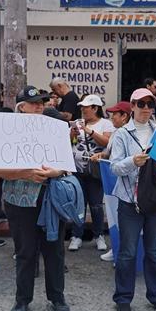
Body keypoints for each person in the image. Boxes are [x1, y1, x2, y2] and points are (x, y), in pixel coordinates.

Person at [0, 86, 69, 311]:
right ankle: (22, 299)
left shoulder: (54, 129)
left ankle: (57, 297)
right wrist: (26, 173)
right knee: (25, 252)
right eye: (34, 102)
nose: (39, 106)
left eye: (42, 102)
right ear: (21, 107)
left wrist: (56, 171)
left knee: (54, 251)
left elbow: (66, 164)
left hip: (50, 199)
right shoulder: (7, 130)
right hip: (19, 201)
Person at [109, 88, 156, 311]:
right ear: (132, 106)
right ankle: (123, 298)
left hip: (155, 200)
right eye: (141, 104)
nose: (146, 108)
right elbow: (114, 167)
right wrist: (133, 161)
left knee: (154, 251)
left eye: (150, 104)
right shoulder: (121, 134)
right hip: (130, 202)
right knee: (128, 253)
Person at [69, 94, 114, 252]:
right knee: (78, 204)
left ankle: (99, 235)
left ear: (95, 108)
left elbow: (107, 143)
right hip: (77, 170)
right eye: (81, 107)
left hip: (95, 171)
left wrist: (88, 131)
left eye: (85, 107)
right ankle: (76, 235)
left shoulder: (106, 124)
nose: (82, 110)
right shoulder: (78, 122)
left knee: (95, 205)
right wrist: (72, 134)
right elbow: (69, 143)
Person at [90, 101, 132, 263]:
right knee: (115, 217)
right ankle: (116, 248)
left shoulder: (129, 134)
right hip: (112, 183)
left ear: (124, 116)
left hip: (123, 183)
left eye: (115, 113)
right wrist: (101, 155)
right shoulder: (116, 133)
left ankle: (123, 254)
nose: (112, 116)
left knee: (124, 220)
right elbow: (108, 153)